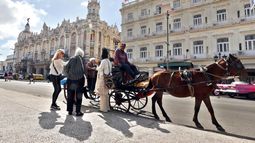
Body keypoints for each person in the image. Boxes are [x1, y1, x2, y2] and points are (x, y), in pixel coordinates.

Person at [65, 47, 86, 116]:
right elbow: (85, 70)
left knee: (70, 95)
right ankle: (78, 111)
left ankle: (70, 111)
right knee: (79, 96)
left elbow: (66, 67)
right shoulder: (83, 60)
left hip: (70, 79)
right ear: (82, 54)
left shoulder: (71, 58)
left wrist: (68, 74)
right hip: (79, 79)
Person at [95, 48, 112, 112]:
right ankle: (107, 108)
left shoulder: (104, 61)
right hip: (108, 79)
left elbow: (99, 69)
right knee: (106, 94)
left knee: (102, 95)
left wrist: (97, 66)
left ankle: (103, 109)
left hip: (103, 79)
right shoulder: (109, 61)